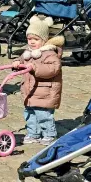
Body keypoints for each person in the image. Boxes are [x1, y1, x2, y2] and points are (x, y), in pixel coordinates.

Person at [12, 16, 64, 145]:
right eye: (29, 39)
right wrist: (17, 63)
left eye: (36, 39)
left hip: (45, 92)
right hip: (30, 91)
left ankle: (49, 134)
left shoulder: (50, 54)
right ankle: (33, 133)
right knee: (30, 114)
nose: (32, 42)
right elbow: (22, 61)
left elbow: (52, 69)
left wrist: (35, 67)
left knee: (43, 114)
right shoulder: (28, 53)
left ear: (44, 40)